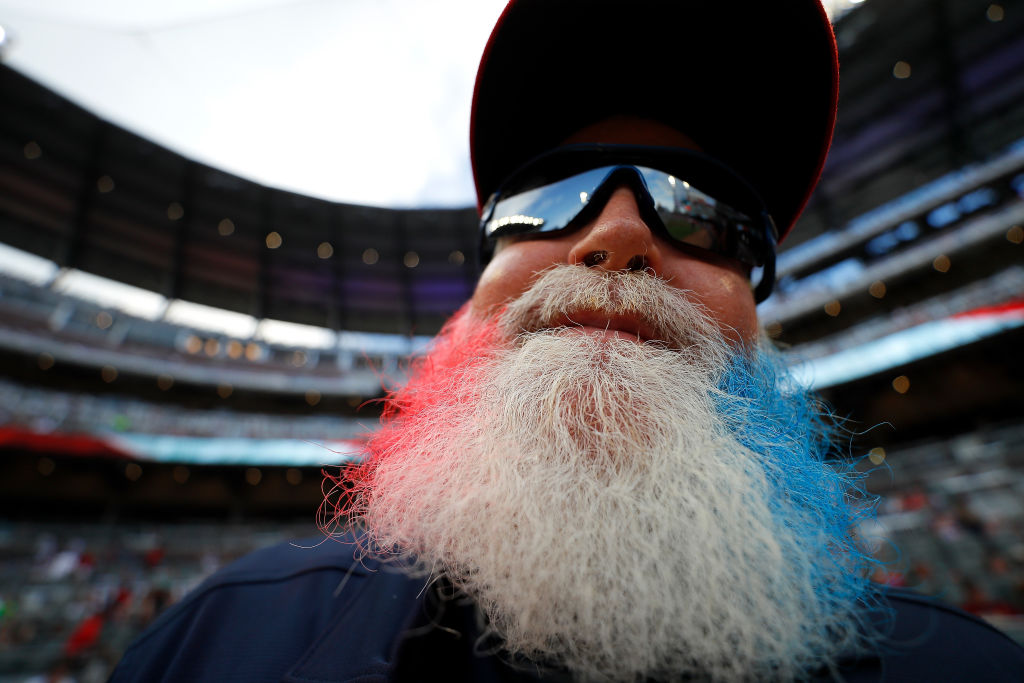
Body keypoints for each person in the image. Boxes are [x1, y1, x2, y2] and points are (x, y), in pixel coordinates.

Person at [110, 1, 1024, 681]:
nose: (617, 235)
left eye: (704, 214)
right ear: (473, 299)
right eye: (546, 200)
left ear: (756, 316)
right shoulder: (221, 639)